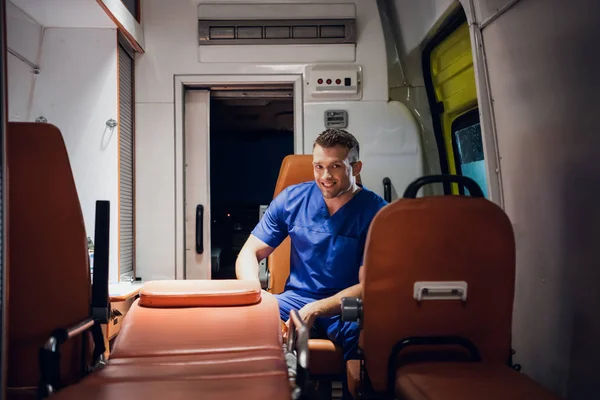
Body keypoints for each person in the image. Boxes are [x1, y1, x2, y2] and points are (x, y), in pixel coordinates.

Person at [235, 128, 388, 398]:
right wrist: (254, 295)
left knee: (370, 341)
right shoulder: (293, 199)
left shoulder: (377, 213)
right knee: (249, 326)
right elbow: (249, 252)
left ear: (356, 166)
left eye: (336, 167)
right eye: (319, 167)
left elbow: (370, 286)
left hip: (347, 307)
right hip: (297, 298)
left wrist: (318, 309)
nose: (325, 177)